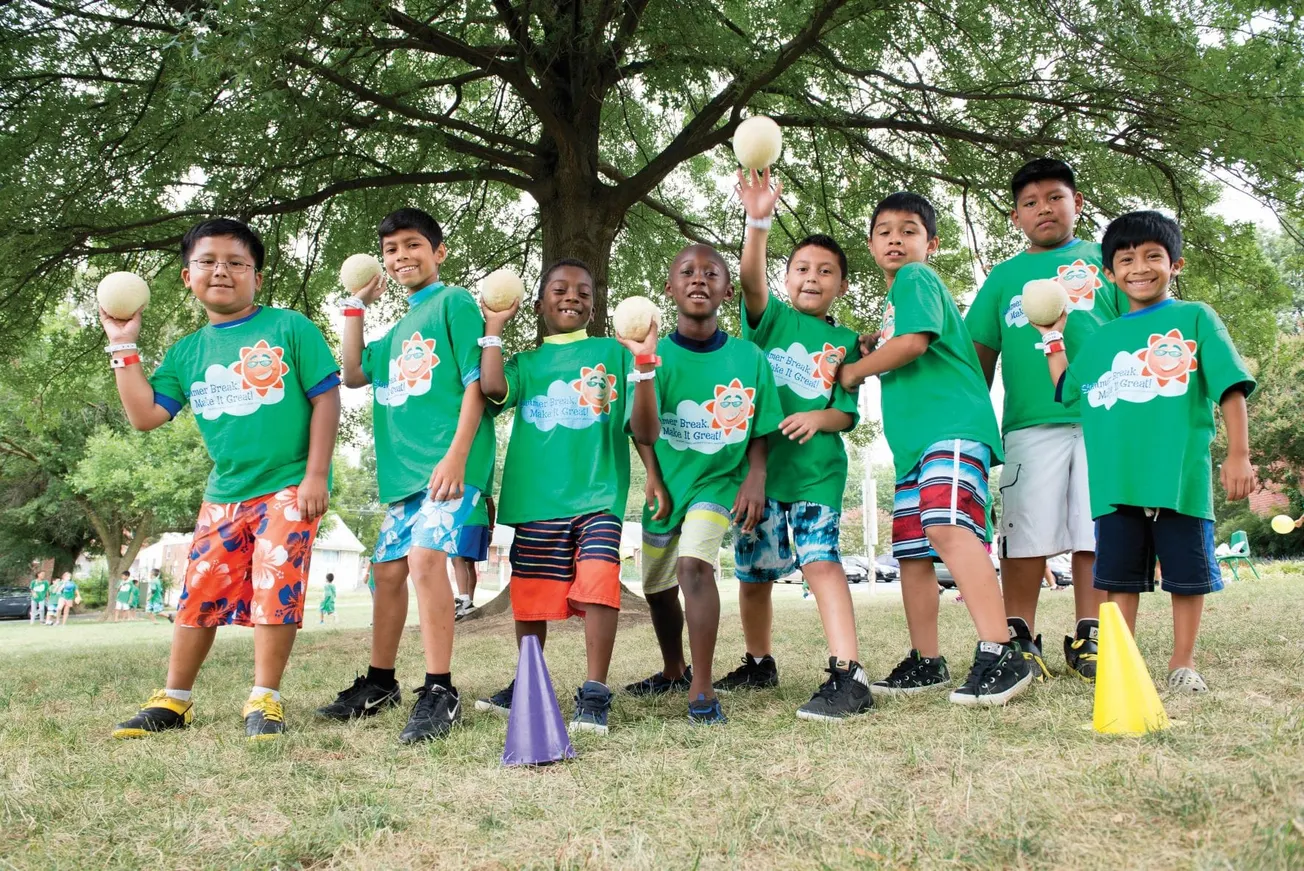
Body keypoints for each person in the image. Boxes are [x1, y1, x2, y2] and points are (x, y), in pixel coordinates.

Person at [102, 218, 341, 740]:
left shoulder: (290, 327)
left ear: (256, 276)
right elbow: (145, 416)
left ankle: (264, 699)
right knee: (199, 593)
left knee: (274, 585)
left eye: (237, 263)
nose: (222, 271)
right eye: (207, 262)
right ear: (187, 277)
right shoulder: (187, 353)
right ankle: (174, 700)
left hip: (289, 485)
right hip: (224, 494)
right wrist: (123, 345)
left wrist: (316, 475)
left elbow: (326, 397)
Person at [1034, 210, 1255, 691]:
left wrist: (1239, 454)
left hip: (1180, 478)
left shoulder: (1195, 317)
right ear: (1109, 272)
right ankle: (1122, 664)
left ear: (1175, 263)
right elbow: (1069, 386)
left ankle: (1183, 663)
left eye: (1153, 256)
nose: (1140, 267)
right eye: (1126, 258)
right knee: (1119, 579)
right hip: (1117, 482)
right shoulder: (1101, 338)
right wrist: (1051, 335)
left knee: (1187, 577)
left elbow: (1231, 389)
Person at [839, 192, 1033, 707]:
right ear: (871, 243)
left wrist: (855, 370)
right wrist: (868, 344)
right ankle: (927, 660)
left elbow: (915, 343)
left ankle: (1002, 650)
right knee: (913, 552)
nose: (896, 239)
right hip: (914, 445)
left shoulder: (915, 280)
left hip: (951, 428)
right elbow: (898, 339)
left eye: (909, 230)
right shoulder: (895, 301)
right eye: (885, 231)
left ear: (931, 243)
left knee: (947, 528)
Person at [316, 208, 495, 744]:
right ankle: (379, 683)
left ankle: (440, 690)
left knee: (424, 560)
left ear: (438, 252)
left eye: (413, 245)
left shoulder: (454, 302)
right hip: (404, 477)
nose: (401, 257)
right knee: (386, 574)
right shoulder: (394, 331)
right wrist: (355, 307)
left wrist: (458, 456)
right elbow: (351, 373)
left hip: (451, 467)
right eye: (391, 249)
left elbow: (475, 384)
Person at [474, 258, 661, 735]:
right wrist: (494, 326)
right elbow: (493, 388)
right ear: (537, 305)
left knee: (599, 586)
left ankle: (595, 691)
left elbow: (644, 428)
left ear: (595, 307)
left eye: (582, 290)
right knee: (531, 600)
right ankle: (527, 682)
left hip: (598, 495)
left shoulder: (612, 353)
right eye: (559, 289)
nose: (571, 295)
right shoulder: (526, 363)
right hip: (538, 499)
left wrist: (642, 364)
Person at [965, 158, 1126, 683]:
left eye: (1055, 197)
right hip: (1029, 424)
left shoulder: (1106, 264)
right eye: (1030, 203)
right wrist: (977, 429)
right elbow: (979, 359)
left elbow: (1135, 324)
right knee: (1024, 530)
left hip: (1103, 417)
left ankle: (1091, 633)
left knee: (1093, 529)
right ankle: (1019, 634)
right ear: (1015, 217)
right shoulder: (1005, 277)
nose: (1044, 209)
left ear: (1077, 203)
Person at [723, 168, 872, 721]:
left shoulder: (843, 342)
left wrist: (818, 416)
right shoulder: (769, 320)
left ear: (841, 285)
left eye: (826, 271)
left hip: (816, 475)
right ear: (787, 278)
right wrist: (757, 218)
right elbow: (750, 281)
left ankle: (848, 672)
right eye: (803, 268)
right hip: (758, 474)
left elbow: (845, 412)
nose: (813, 277)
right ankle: (759, 661)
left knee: (821, 562)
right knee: (754, 573)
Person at [624, 244, 782, 725]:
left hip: (717, 483)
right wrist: (652, 474)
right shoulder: (655, 355)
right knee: (656, 585)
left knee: (694, 567)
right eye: (687, 273)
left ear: (727, 290)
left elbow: (761, 428)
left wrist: (755, 477)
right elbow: (645, 431)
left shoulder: (748, 356)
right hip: (666, 485)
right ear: (670, 288)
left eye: (711, 273)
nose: (698, 279)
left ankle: (702, 684)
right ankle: (674, 668)